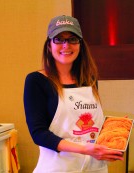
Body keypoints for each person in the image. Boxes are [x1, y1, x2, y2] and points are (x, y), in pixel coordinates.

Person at [23, 15, 124, 173]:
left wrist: (112, 137)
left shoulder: (89, 79)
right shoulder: (36, 81)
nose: (66, 45)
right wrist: (84, 149)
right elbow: (39, 134)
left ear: (80, 45)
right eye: (59, 39)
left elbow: (92, 127)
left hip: (94, 168)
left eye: (72, 39)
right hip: (57, 169)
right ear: (49, 45)